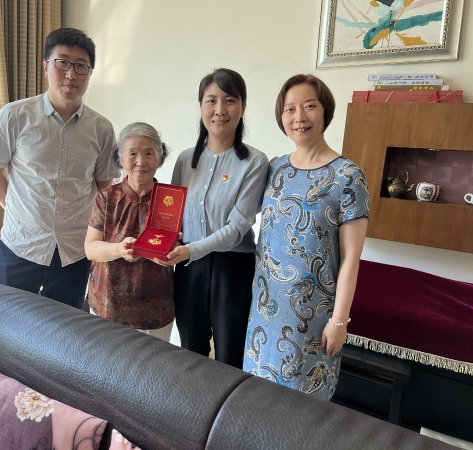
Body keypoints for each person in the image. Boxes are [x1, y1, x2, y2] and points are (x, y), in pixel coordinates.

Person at [243, 74, 369, 400]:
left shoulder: (347, 176)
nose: (299, 117)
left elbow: (351, 258)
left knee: (301, 410)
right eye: (290, 109)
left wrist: (339, 321)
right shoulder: (274, 169)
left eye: (309, 106)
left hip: (312, 320)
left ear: (325, 110)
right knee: (256, 400)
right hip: (264, 312)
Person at [0, 28, 118, 309]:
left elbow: (105, 188)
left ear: (89, 73)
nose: (71, 74)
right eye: (62, 62)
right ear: (45, 67)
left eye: (81, 66)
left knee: (63, 332)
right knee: (4, 326)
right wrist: (20, 211)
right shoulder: (15, 116)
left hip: (74, 253)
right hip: (20, 246)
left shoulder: (102, 128)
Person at [154, 68, 269, 368]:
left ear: (243, 107)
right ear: (201, 106)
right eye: (211, 100)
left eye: (230, 100)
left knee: (230, 354)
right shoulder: (185, 159)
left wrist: (190, 250)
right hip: (189, 268)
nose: (220, 110)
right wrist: (162, 242)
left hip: (233, 268)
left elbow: (238, 226)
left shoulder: (254, 162)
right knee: (190, 350)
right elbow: (172, 216)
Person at [84, 122, 175, 341]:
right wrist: (119, 249)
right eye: (132, 153)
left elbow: (181, 246)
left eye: (149, 153)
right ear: (121, 158)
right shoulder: (106, 197)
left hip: (155, 308)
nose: (141, 161)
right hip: (108, 306)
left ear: (159, 157)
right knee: (105, 361)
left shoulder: (172, 200)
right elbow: (91, 248)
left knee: (154, 361)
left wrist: (175, 249)